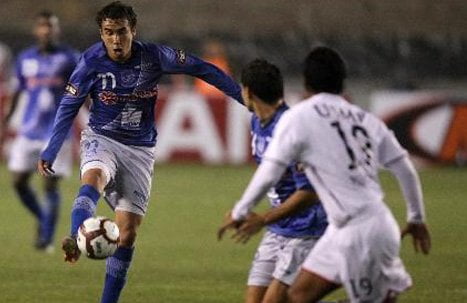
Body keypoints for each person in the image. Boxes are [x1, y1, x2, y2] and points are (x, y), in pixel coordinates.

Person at [37, 2, 242, 302]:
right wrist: (52, 148)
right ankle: (75, 234)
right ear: (101, 34)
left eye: (122, 32)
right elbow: (69, 106)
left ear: (133, 30)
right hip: (101, 137)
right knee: (94, 175)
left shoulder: (155, 56)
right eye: (109, 33)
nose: (116, 40)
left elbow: (203, 68)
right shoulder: (91, 62)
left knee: (128, 234)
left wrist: (242, 96)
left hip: (139, 149)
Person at [223, 47, 431, 303]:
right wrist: (416, 217)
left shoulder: (298, 117)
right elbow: (405, 167)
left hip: (359, 230)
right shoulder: (364, 119)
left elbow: (270, 170)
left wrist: (240, 211)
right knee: (298, 296)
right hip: (350, 226)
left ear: (306, 82)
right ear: (342, 82)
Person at [218, 59, 327, 303]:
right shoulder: (257, 121)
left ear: (247, 91)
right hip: (278, 228)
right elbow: (267, 175)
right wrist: (243, 210)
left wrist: (262, 218)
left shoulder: (292, 129)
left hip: (306, 228)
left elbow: (310, 192)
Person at [2, 11, 78, 251]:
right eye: (43, 27)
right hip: (29, 129)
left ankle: (45, 238)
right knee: (18, 182)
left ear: (57, 31)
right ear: (37, 31)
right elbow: (16, 92)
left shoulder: (69, 58)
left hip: (58, 131)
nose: (46, 31)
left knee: (50, 184)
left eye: (51, 27)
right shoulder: (25, 59)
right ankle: (43, 218)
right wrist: (6, 121)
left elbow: (82, 89)